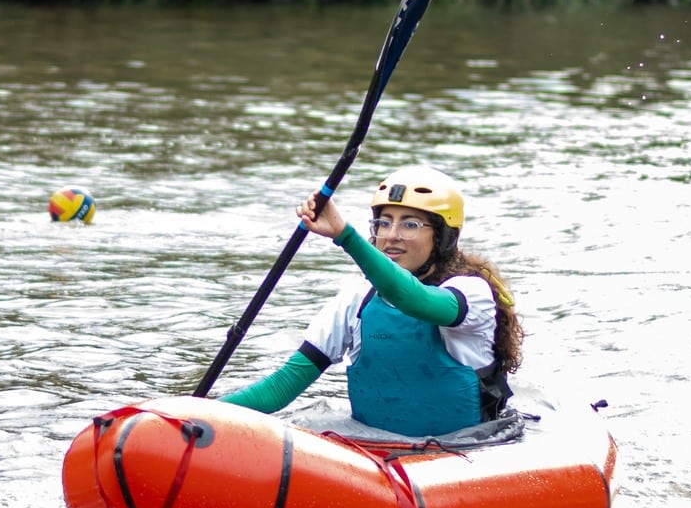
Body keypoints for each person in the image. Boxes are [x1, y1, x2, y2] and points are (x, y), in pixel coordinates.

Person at [220, 165, 522, 438]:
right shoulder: (356, 298)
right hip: (374, 455)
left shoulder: (471, 293)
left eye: (410, 225)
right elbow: (280, 388)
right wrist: (190, 412)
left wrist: (345, 236)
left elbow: (412, 299)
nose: (391, 235)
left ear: (443, 237)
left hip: (465, 452)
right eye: (383, 222)